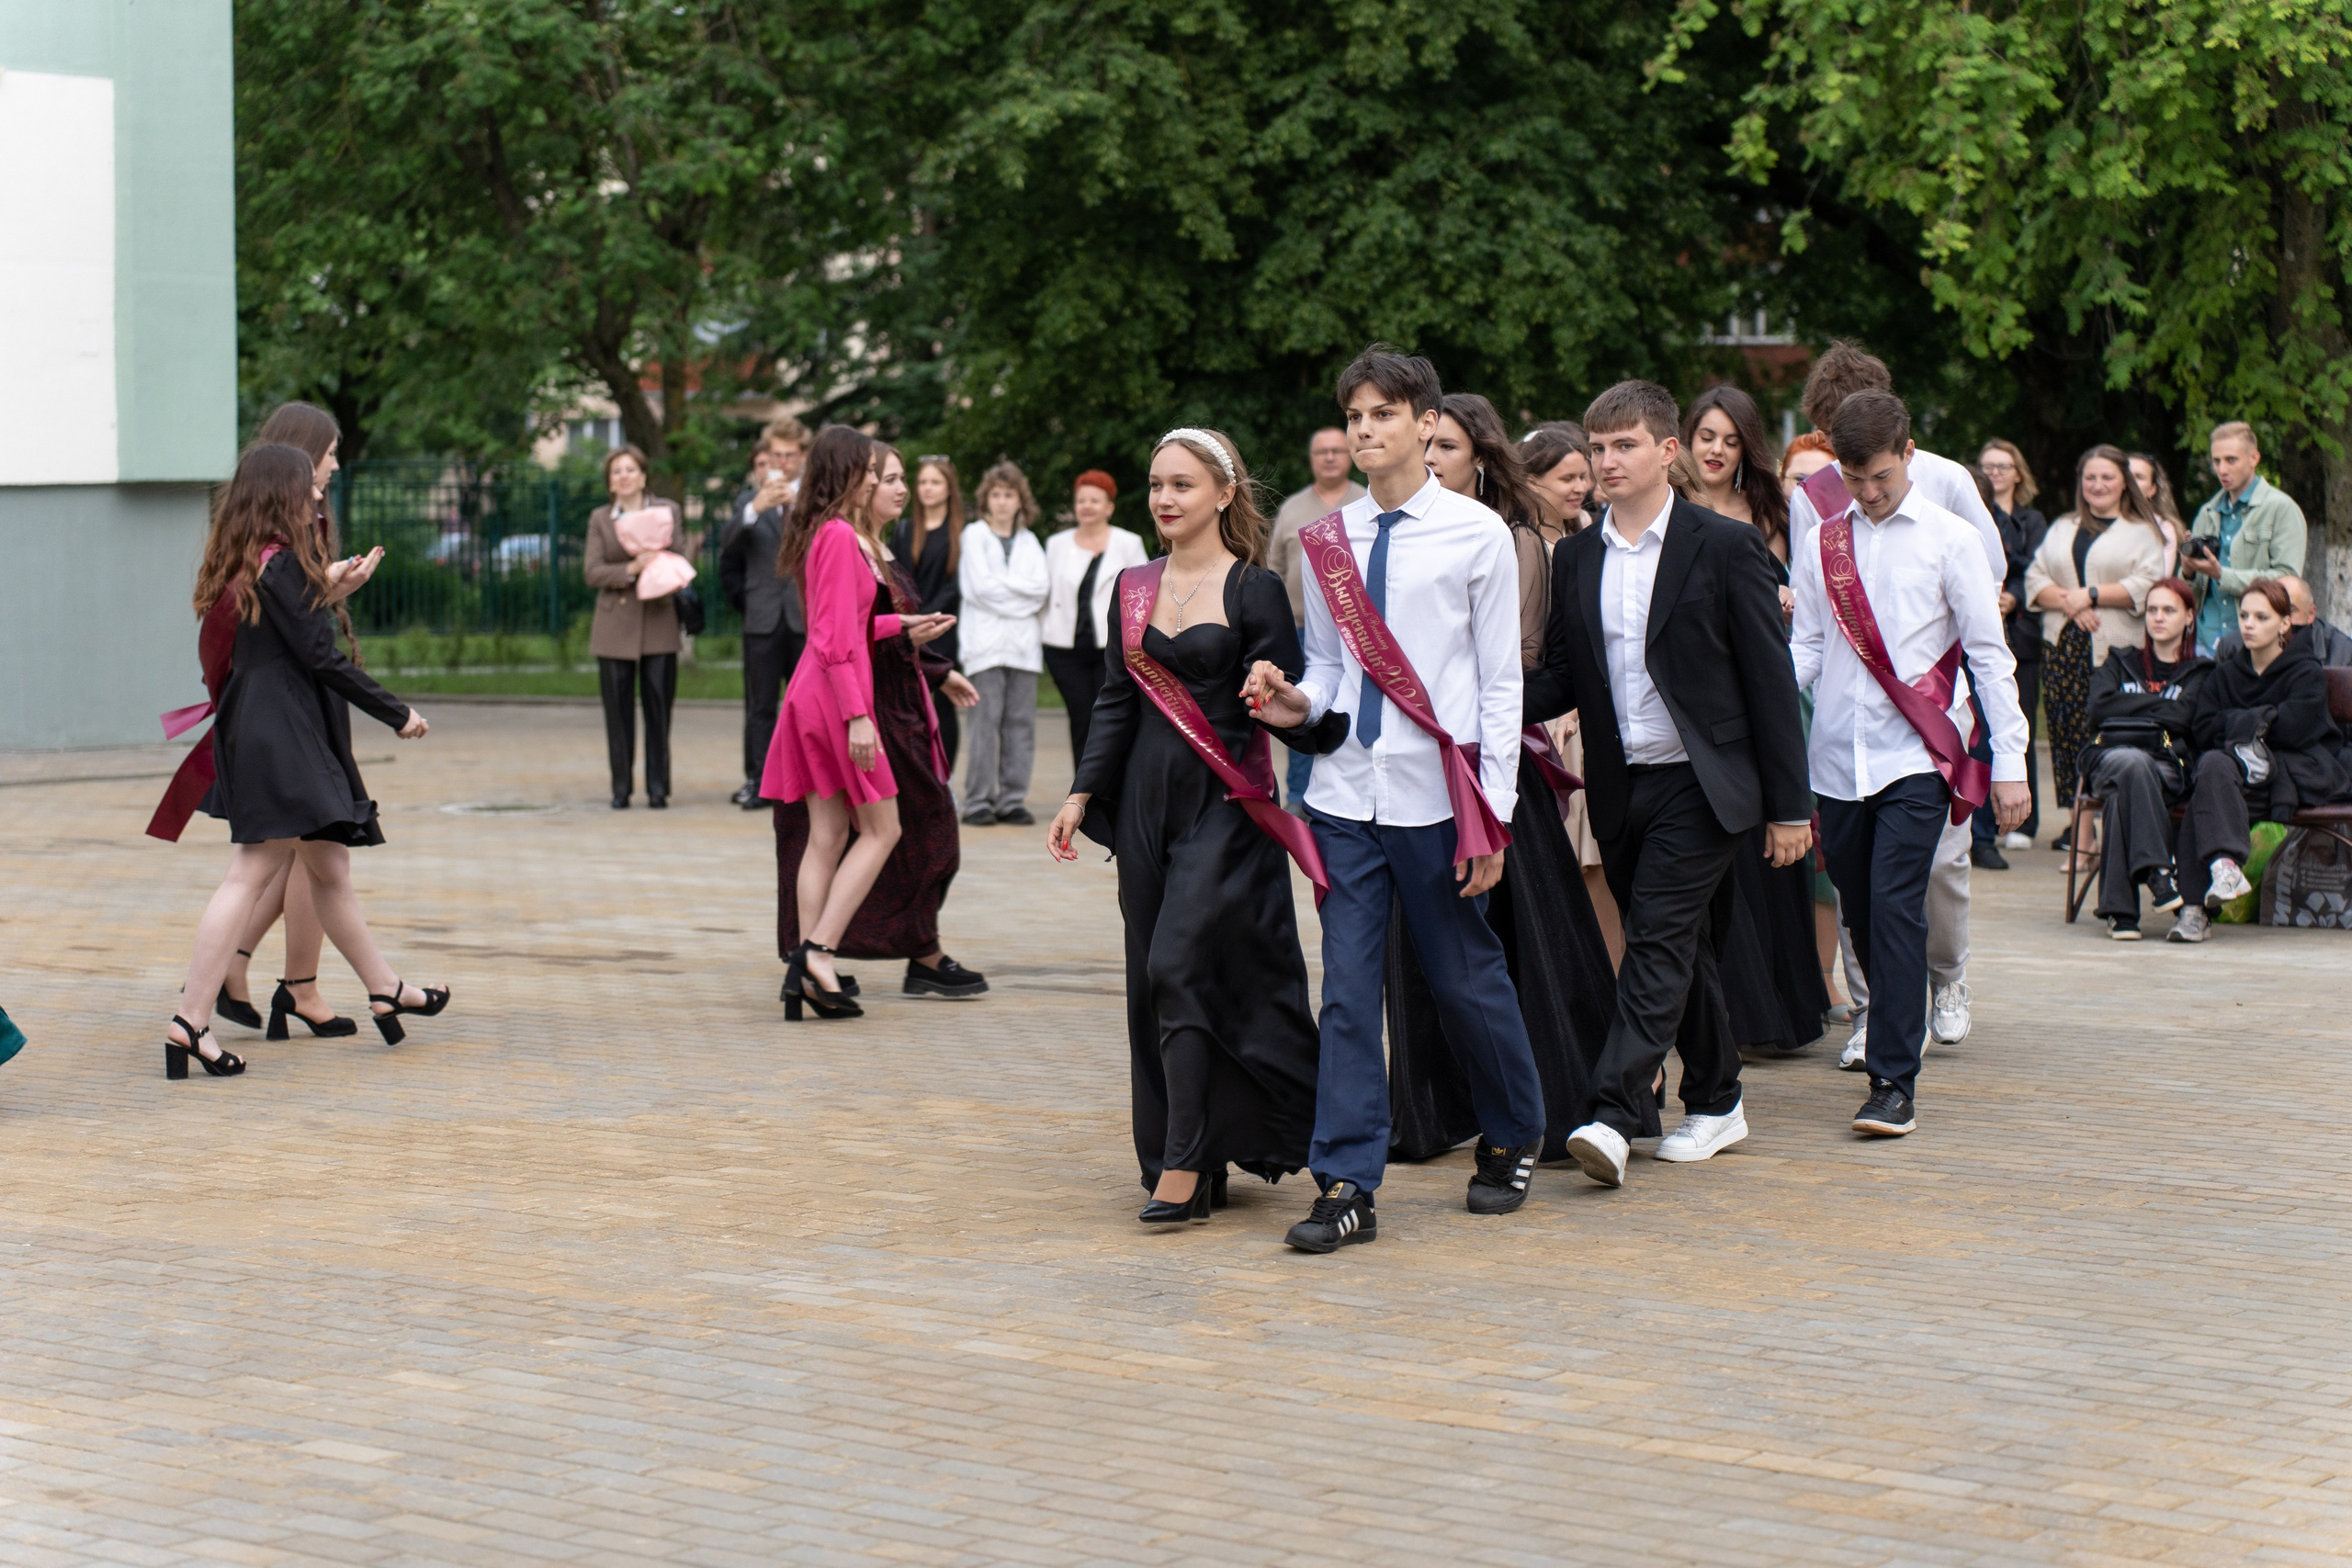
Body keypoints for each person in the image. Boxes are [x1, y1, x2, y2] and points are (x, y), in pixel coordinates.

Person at [1242, 345, 1549, 1249]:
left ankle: (1511, 1128)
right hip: (1343, 795)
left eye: (1382, 413)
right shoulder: (1326, 541)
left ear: (1425, 422)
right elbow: (1332, 675)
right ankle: (1344, 1181)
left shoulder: (1475, 534)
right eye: (1353, 415)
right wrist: (1297, 704)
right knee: (1345, 990)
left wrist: (1491, 812)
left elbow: (1499, 686)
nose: (1364, 429)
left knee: (1463, 977)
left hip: (1437, 800)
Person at [1512, 379, 1810, 1188]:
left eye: (1624, 446)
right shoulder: (1576, 555)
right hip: (1618, 782)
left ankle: (1612, 1111)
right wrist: (1486, 701)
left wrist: (1791, 807)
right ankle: (1717, 1099)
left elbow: (1769, 683)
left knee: (1653, 937)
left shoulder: (1722, 546)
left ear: (1667, 451)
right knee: (1687, 948)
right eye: (1597, 447)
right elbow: (1566, 677)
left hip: (1704, 784)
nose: (1606, 462)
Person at [1048, 427, 1335, 1224]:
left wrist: (1274, 690)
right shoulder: (1132, 585)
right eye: (1155, 485)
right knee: (1153, 972)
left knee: (1178, 959)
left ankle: (1184, 1162)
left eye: (1181, 485)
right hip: (1144, 802)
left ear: (1222, 493)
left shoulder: (1255, 589)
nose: (1165, 499)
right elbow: (1115, 698)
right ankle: (1189, 1149)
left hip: (1226, 803)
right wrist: (1081, 793)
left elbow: (1295, 703)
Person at [1383, 392, 1625, 1166]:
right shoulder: (1397, 537)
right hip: (1415, 765)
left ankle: (1544, 1109)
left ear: (1479, 459)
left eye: (1445, 448)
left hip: (1489, 765)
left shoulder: (1510, 537)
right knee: (1417, 948)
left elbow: (1517, 668)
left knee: (1519, 948)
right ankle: (1425, 1110)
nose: (1429, 460)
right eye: (1426, 446)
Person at [163, 444, 448, 1078]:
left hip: (257, 725)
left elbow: (284, 636)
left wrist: (329, 586)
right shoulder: (283, 563)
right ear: (280, 495)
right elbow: (321, 659)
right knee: (249, 873)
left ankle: (384, 985)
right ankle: (190, 1020)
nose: (320, 495)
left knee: (328, 864)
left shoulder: (247, 557)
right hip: (283, 733)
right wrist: (398, 712)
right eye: (309, 488)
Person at [1792, 390, 2031, 1136]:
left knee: (1897, 907)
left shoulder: (1953, 538)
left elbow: (1989, 656)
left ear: (1909, 452)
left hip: (1918, 756)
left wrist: (2014, 760)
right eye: (1855, 479)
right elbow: (1808, 649)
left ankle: (1894, 1081)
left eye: (1883, 478)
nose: (1868, 494)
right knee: (1861, 912)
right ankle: (1892, 1026)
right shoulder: (1824, 540)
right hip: (1836, 759)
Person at [180, 401, 372, 1040]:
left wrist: (331, 588)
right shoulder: (281, 536)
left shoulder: (270, 527)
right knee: (293, 856)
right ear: (300, 458)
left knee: (300, 856)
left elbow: (288, 615)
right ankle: (265, 987)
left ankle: (251, 983)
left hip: (284, 705)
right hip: (287, 708)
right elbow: (293, 632)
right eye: (330, 451)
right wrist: (396, 711)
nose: (336, 463)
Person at [774, 444, 988, 999]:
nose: (879, 482)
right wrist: (858, 718)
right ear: (848, 474)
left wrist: (897, 626)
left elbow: (841, 625)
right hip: (836, 698)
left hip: (814, 694)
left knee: (828, 834)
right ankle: (819, 953)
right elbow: (834, 639)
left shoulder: (825, 532)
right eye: (873, 472)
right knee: (883, 829)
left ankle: (804, 966)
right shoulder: (842, 536)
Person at [1674, 385, 1826, 1056]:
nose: (1716, 449)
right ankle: (1725, 1014)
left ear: (1747, 447)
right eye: (1706, 435)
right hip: (1695, 703)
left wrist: (1792, 598)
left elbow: (1816, 596)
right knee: (1719, 863)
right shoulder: (1669, 509)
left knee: (1774, 850)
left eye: (1730, 439)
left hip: (1770, 694)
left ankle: (1784, 1009)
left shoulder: (1775, 510)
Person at [2169, 578, 2350, 942]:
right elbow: (2203, 728)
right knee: (2213, 768)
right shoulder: (2226, 674)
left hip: (2293, 777)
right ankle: (2223, 870)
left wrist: (2244, 722)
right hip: (2236, 780)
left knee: (2210, 781)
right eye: (2244, 615)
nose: (2249, 624)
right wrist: (2266, 721)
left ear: (2285, 623)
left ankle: (2194, 910)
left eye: (2261, 617)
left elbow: (2297, 730)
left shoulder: (2306, 671)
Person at [2024, 445, 2169, 829]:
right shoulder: (2063, 527)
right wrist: (2074, 604)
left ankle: (2115, 825)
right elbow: (2036, 579)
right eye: (2090, 477)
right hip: (2063, 648)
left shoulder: (2143, 532)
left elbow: (2149, 583)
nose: (2098, 484)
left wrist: (2091, 595)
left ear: (2124, 483)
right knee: (2068, 734)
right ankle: (2080, 833)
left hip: (2115, 650)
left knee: (2107, 734)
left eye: (2107, 477)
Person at [2081, 578, 2211, 938]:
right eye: (2152, 609)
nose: (2158, 618)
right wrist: (2161, 708)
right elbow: (2097, 710)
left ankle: (2121, 913)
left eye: (2168, 610)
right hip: (2106, 758)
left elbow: (2185, 718)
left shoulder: (2199, 672)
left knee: (2126, 789)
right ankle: (2158, 873)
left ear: (2188, 617)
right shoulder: (2120, 660)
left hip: (2168, 766)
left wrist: (2128, 707)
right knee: (2132, 765)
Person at [1266, 428, 1365, 807]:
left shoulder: (1367, 502)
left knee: (1349, 712)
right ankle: (1300, 799)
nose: (1329, 458)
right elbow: (1273, 569)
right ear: (1311, 459)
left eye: (1337, 451)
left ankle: (1347, 794)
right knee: (1301, 708)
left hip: (1360, 632)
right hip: (1299, 629)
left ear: (1350, 455)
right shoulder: (1293, 508)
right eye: (1321, 451)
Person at [584, 445, 682, 809]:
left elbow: (684, 557)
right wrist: (630, 569)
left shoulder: (668, 511)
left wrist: (659, 563)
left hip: (659, 619)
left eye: (630, 470)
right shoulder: (600, 519)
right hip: (614, 627)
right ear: (610, 483)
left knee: (659, 708)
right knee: (618, 711)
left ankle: (658, 788)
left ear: (643, 475)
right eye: (616, 472)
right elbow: (592, 571)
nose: (624, 476)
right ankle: (620, 788)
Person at [722, 425, 809, 808]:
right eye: (777, 456)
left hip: (804, 617)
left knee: (806, 707)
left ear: (803, 457)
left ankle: (805, 783)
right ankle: (760, 782)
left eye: (790, 455)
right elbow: (726, 546)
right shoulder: (747, 500)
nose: (783, 463)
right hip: (761, 618)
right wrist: (755, 509)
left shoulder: (816, 499)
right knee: (760, 707)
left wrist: (801, 506)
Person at [957, 460, 1049, 826]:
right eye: (995, 494)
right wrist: (1018, 597)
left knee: (1020, 725)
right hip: (985, 646)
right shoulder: (973, 535)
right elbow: (979, 589)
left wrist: (1005, 592)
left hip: (1024, 649)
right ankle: (978, 799)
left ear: (1019, 500)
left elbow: (1040, 590)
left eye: (1009, 494)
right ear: (986, 499)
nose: (1002, 501)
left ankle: (1012, 799)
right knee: (984, 724)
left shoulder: (1030, 542)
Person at [1041, 470, 1149, 768]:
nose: (1087, 506)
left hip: (1111, 648)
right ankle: (1082, 794)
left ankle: (1111, 791)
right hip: (1064, 649)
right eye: (1081, 500)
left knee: (1110, 717)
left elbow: (1140, 595)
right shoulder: (1056, 544)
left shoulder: (1129, 543)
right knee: (1081, 716)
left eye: (1095, 500)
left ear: (1109, 507)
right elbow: (1044, 593)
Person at [1978, 438, 2049, 850]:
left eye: (2003, 466)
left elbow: (2038, 567)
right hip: (1984, 628)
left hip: (2020, 634)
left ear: (2018, 473)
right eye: (1988, 466)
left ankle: (2024, 821)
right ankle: (1985, 819)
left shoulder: (2032, 520)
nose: (1996, 473)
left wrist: (2014, 596)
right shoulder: (1975, 515)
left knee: (2020, 721)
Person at [2187, 422, 2307, 652]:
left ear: (2254, 458)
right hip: (2204, 641)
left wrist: (2222, 575)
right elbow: (2190, 595)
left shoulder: (2281, 508)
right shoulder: (2207, 512)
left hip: (2255, 642)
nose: (2222, 469)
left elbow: (2287, 580)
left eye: (2231, 460)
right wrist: (2188, 571)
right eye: (2216, 461)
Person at [892, 456, 967, 771]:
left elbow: (959, 582)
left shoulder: (962, 532)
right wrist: (911, 616)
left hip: (945, 627)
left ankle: (944, 775)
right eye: (922, 482)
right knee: (909, 702)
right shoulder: (905, 529)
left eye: (935, 482)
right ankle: (915, 769)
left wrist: (929, 614)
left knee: (943, 706)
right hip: (909, 629)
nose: (927, 489)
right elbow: (896, 575)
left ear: (949, 488)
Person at [2213, 573, 2352, 667]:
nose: (2282, 620)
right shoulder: (2232, 646)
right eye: (2274, 610)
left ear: (2311, 614)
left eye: (2290, 611)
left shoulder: (2341, 651)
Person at [1521, 421, 1596, 533]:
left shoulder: (1587, 525)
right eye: (1567, 479)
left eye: (1582, 477)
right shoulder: (1515, 538)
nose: (1581, 489)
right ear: (1533, 483)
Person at [2127, 451, 2185, 577]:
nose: (2131, 481)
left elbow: (2160, 578)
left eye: (2139, 477)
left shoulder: (2164, 528)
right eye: (2128, 475)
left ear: (2152, 490)